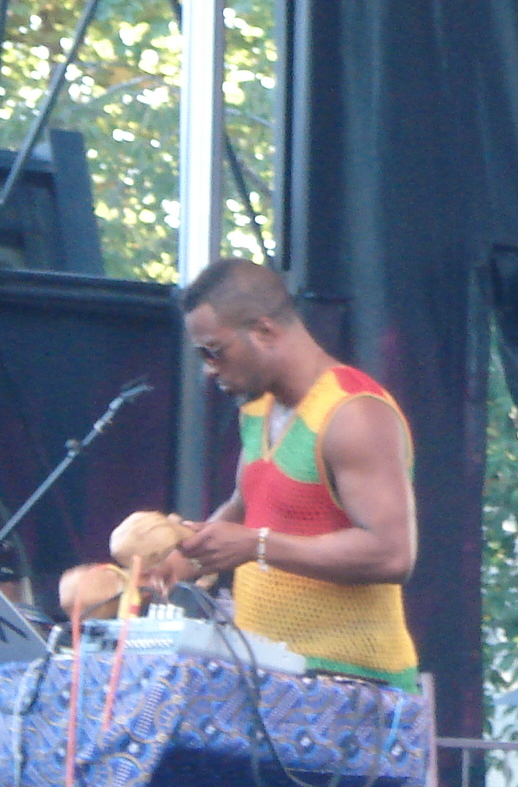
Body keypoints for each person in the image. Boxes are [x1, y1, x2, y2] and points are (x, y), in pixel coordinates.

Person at [169, 258, 420, 690]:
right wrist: (183, 557)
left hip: (354, 686)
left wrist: (257, 545)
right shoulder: (259, 409)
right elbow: (246, 505)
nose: (209, 369)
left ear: (265, 331)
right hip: (271, 675)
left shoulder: (354, 412)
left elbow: (392, 554)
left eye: (215, 351)